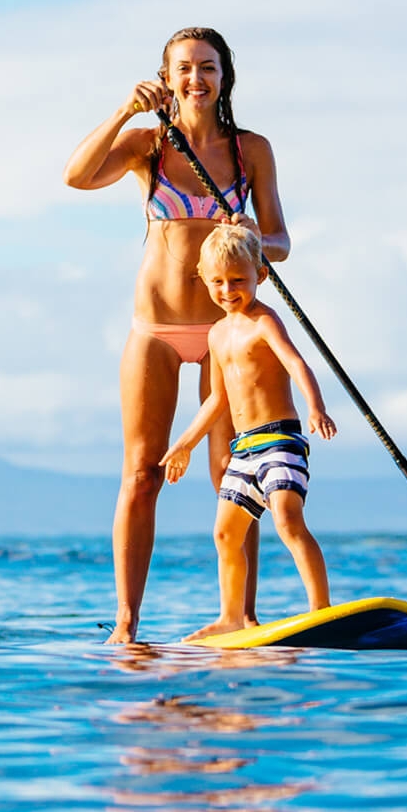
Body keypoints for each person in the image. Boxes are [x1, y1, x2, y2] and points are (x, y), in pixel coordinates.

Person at [63, 27, 290, 643]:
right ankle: (127, 624)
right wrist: (122, 111)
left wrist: (253, 237)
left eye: (208, 67)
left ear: (225, 77)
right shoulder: (148, 144)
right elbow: (76, 178)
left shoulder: (252, 151)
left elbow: (281, 243)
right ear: (167, 78)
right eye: (184, 68)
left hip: (228, 332)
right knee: (142, 472)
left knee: (235, 474)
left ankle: (239, 616)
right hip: (157, 330)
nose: (196, 78)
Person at [162, 223, 336, 638]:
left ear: (261, 274)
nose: (227, 290)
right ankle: (231, 616)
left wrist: (315, 407)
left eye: (238, 280)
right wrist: (184, 443)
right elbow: (216, 401)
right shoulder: (217, 333)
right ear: (203, 279)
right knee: (225, 533)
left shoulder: (264, 322)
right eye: (217, 282)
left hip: (280, 439)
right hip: (243, 450)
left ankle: (321, 609)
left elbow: (297, 364)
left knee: (288, 518)